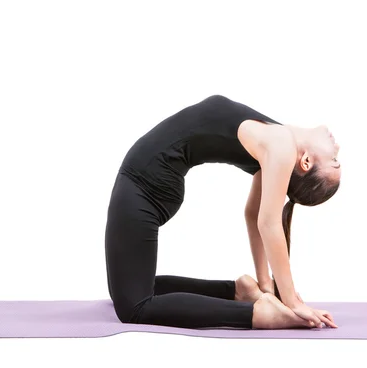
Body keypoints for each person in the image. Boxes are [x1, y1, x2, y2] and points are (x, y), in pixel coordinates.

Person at [104, 94, 341, 330]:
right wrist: (266, 284)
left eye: (334, 161)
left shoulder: (281, 145)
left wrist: (290, 300)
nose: (337, 148)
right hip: (148, 180)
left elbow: (268, 223)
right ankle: (241, 294)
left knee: (132, 308)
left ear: (307, 162)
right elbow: (253, 214)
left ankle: (256, 314)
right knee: (129, 293)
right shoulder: (275, 141)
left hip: (143, 184)